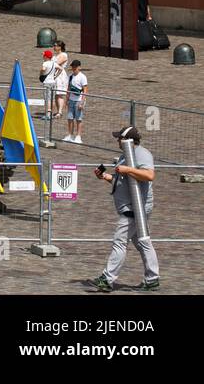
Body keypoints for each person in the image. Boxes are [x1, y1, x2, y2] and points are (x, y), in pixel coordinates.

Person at [91, 125, 159, 292]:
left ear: (127, 140)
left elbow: (149, 175)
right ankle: (152, 279)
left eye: (119, 138)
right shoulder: (125, 155)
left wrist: (128, 169)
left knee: (119, 242)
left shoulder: (142, 154)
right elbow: (123, 180)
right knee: (142, 242)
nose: (117, 140)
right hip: (130, 206)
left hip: (135, 207)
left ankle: (107, 279)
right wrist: (105, 176)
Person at [64, 60, 88, 144]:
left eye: (75, 67)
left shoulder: (82, 77)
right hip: (71, 100)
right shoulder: (70, 76)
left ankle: (78, 136)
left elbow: (85, 90)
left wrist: (82, 102)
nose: (73, 68)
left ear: (79, 67)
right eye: (73, 67)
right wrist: (66, 100)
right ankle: (70, 134)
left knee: (78, 119)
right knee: (70, 118)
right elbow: (68, 88)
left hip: (78, 101)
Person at [52, 41, 71, 121]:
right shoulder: (55, 56)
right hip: (53, 75)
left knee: (60, 94)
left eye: (55, 46)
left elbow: (56, 64)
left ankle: (60, 112)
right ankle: (57, 111)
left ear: (60, 47)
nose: (54, 47)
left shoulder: (64, 55)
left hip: (60, 75)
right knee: (56, 94)